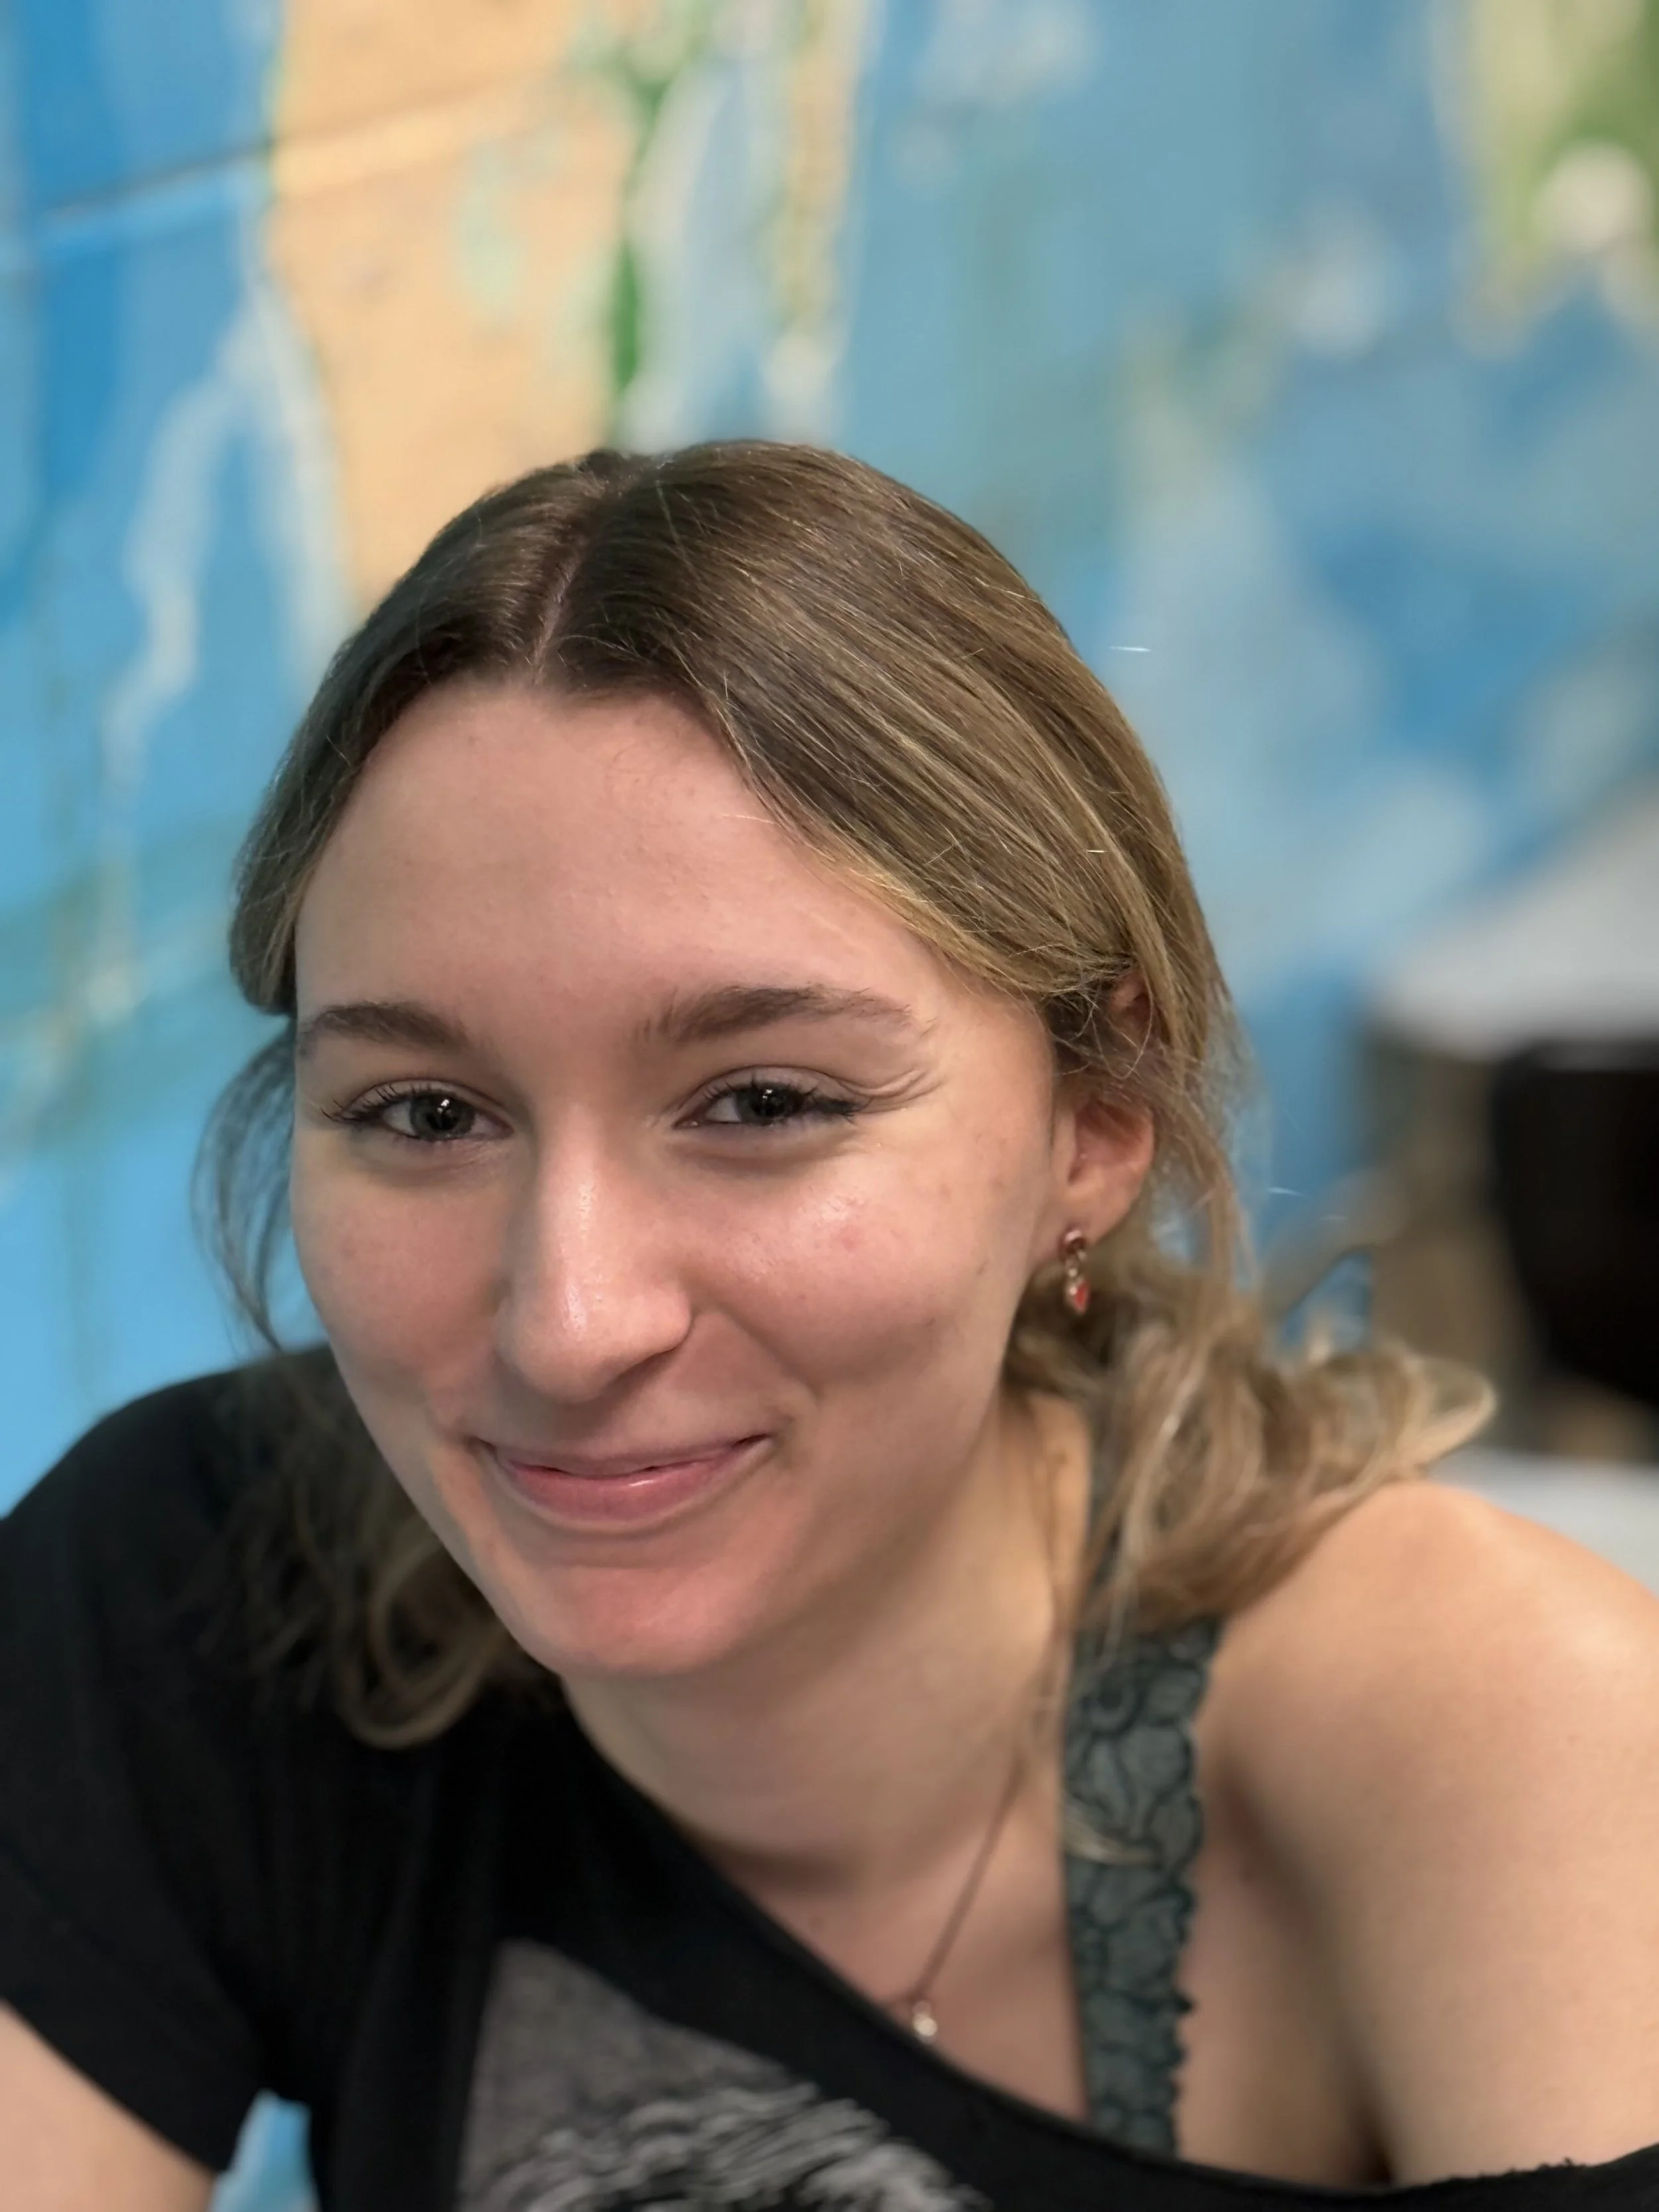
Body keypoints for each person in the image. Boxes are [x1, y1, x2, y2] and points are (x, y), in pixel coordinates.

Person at [5, 442, 1659, 2212]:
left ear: (1087, 1123)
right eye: (424, 1115)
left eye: (761, 1101)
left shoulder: (1492, 1728)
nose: (570, 1322)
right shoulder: (208, 1583)